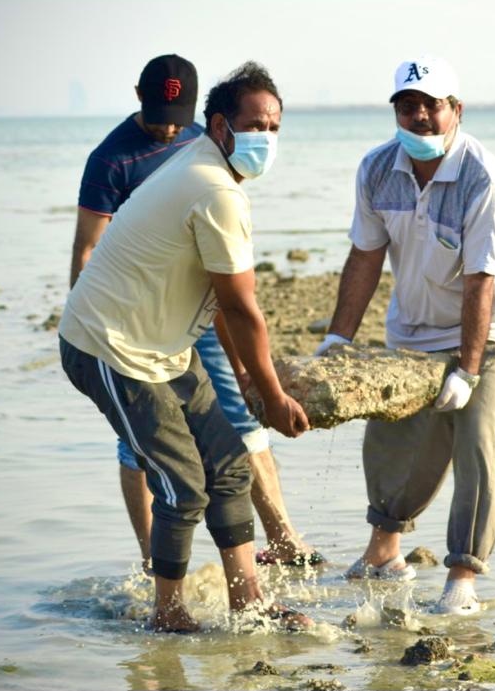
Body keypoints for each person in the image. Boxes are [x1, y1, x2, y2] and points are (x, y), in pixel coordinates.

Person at [59, 61, 311, 632]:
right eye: (254, 125)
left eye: (274, 127)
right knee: (183, 484)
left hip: (164, 347)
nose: (265, 138)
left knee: (228, 463)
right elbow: (243, 307)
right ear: (219, 126)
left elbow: (220, 298)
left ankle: (248, 602)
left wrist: (246, 378)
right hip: (110, 347)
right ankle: (167, 615)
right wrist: (272, 396)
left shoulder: (206, 167)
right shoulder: (214, 189)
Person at [316, 55, 495, 615]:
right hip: (412, 328)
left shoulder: (483, 176)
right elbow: (365, 256)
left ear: (456, 110)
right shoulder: (376, 168)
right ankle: (384, 553)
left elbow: (481, 278)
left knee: (475, 441)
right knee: (392, 437)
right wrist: (338, 339)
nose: (418, 116)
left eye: (431, 106)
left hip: (490, 328)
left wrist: (468, 370)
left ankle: (462, 578)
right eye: (406, 106)